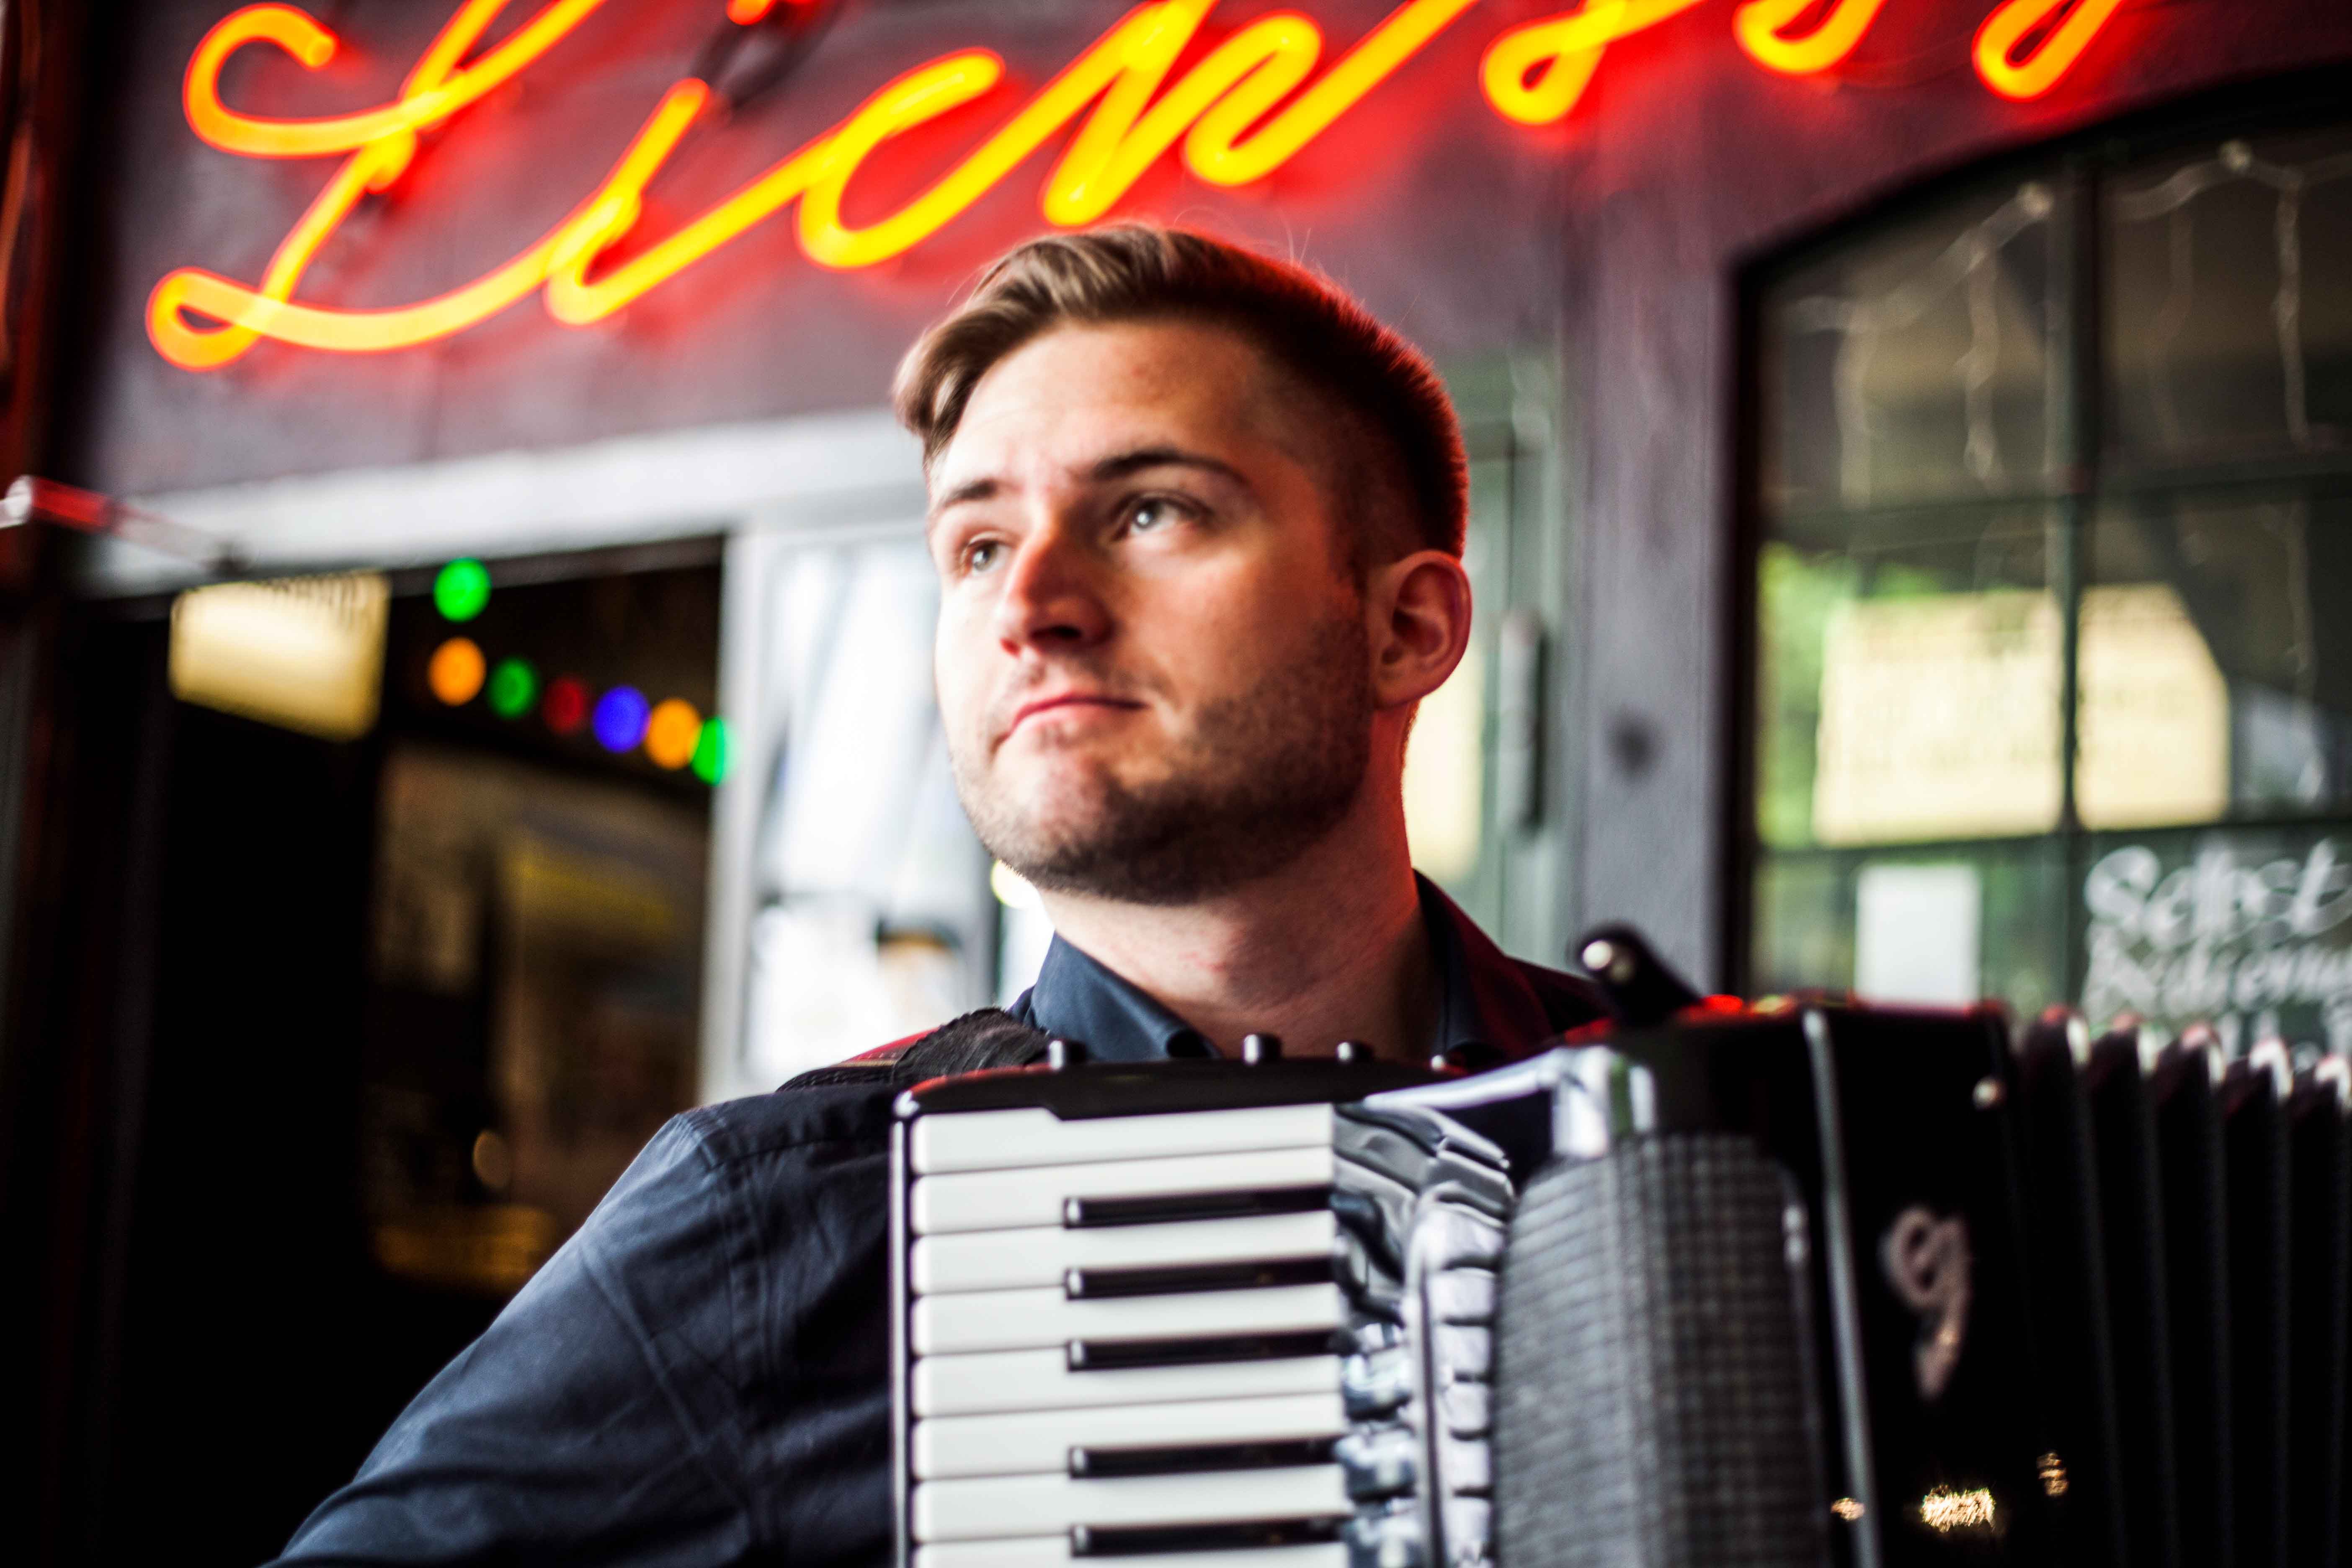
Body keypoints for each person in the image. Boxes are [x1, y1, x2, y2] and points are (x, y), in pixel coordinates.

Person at [266, 224, 1604, 1567]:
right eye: (975, 546)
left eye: (1151, 511)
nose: (1030, 602)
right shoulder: (788, 1218)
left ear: (1406, 630)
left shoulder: (1678, 1130)